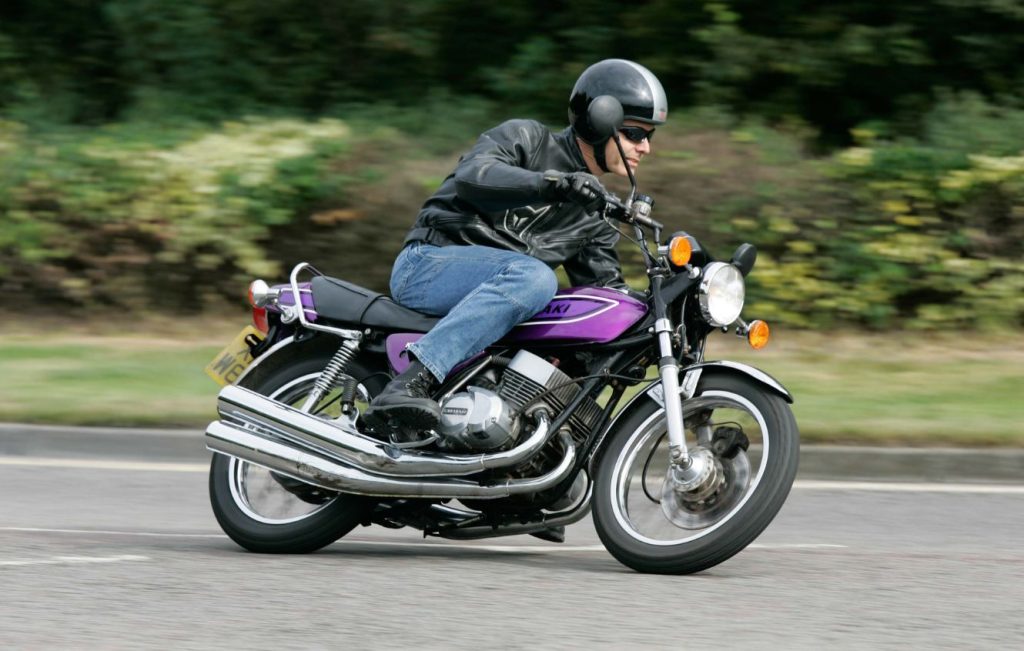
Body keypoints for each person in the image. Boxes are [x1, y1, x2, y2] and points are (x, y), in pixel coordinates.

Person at [364, 58, 668, 434]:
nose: (646, 148)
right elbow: (474, 177)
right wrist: (553, 183)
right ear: (599, 123)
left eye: (649, 136)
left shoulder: (595, 214)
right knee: (537, 278)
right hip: (426, 266)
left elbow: (603, 295)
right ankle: (412, 380)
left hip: (497, 295)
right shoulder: (526, 138)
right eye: (635, 134)